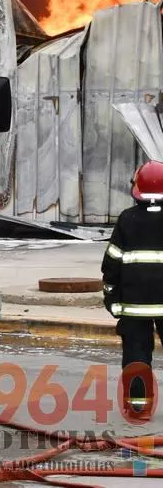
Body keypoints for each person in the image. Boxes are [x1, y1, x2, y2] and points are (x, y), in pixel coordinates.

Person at [102, 160, 163, 420]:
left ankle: (138, 408)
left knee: (137, 356)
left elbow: (111, 263)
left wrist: (112, 299)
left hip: (134, 307)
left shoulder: (127, 219)